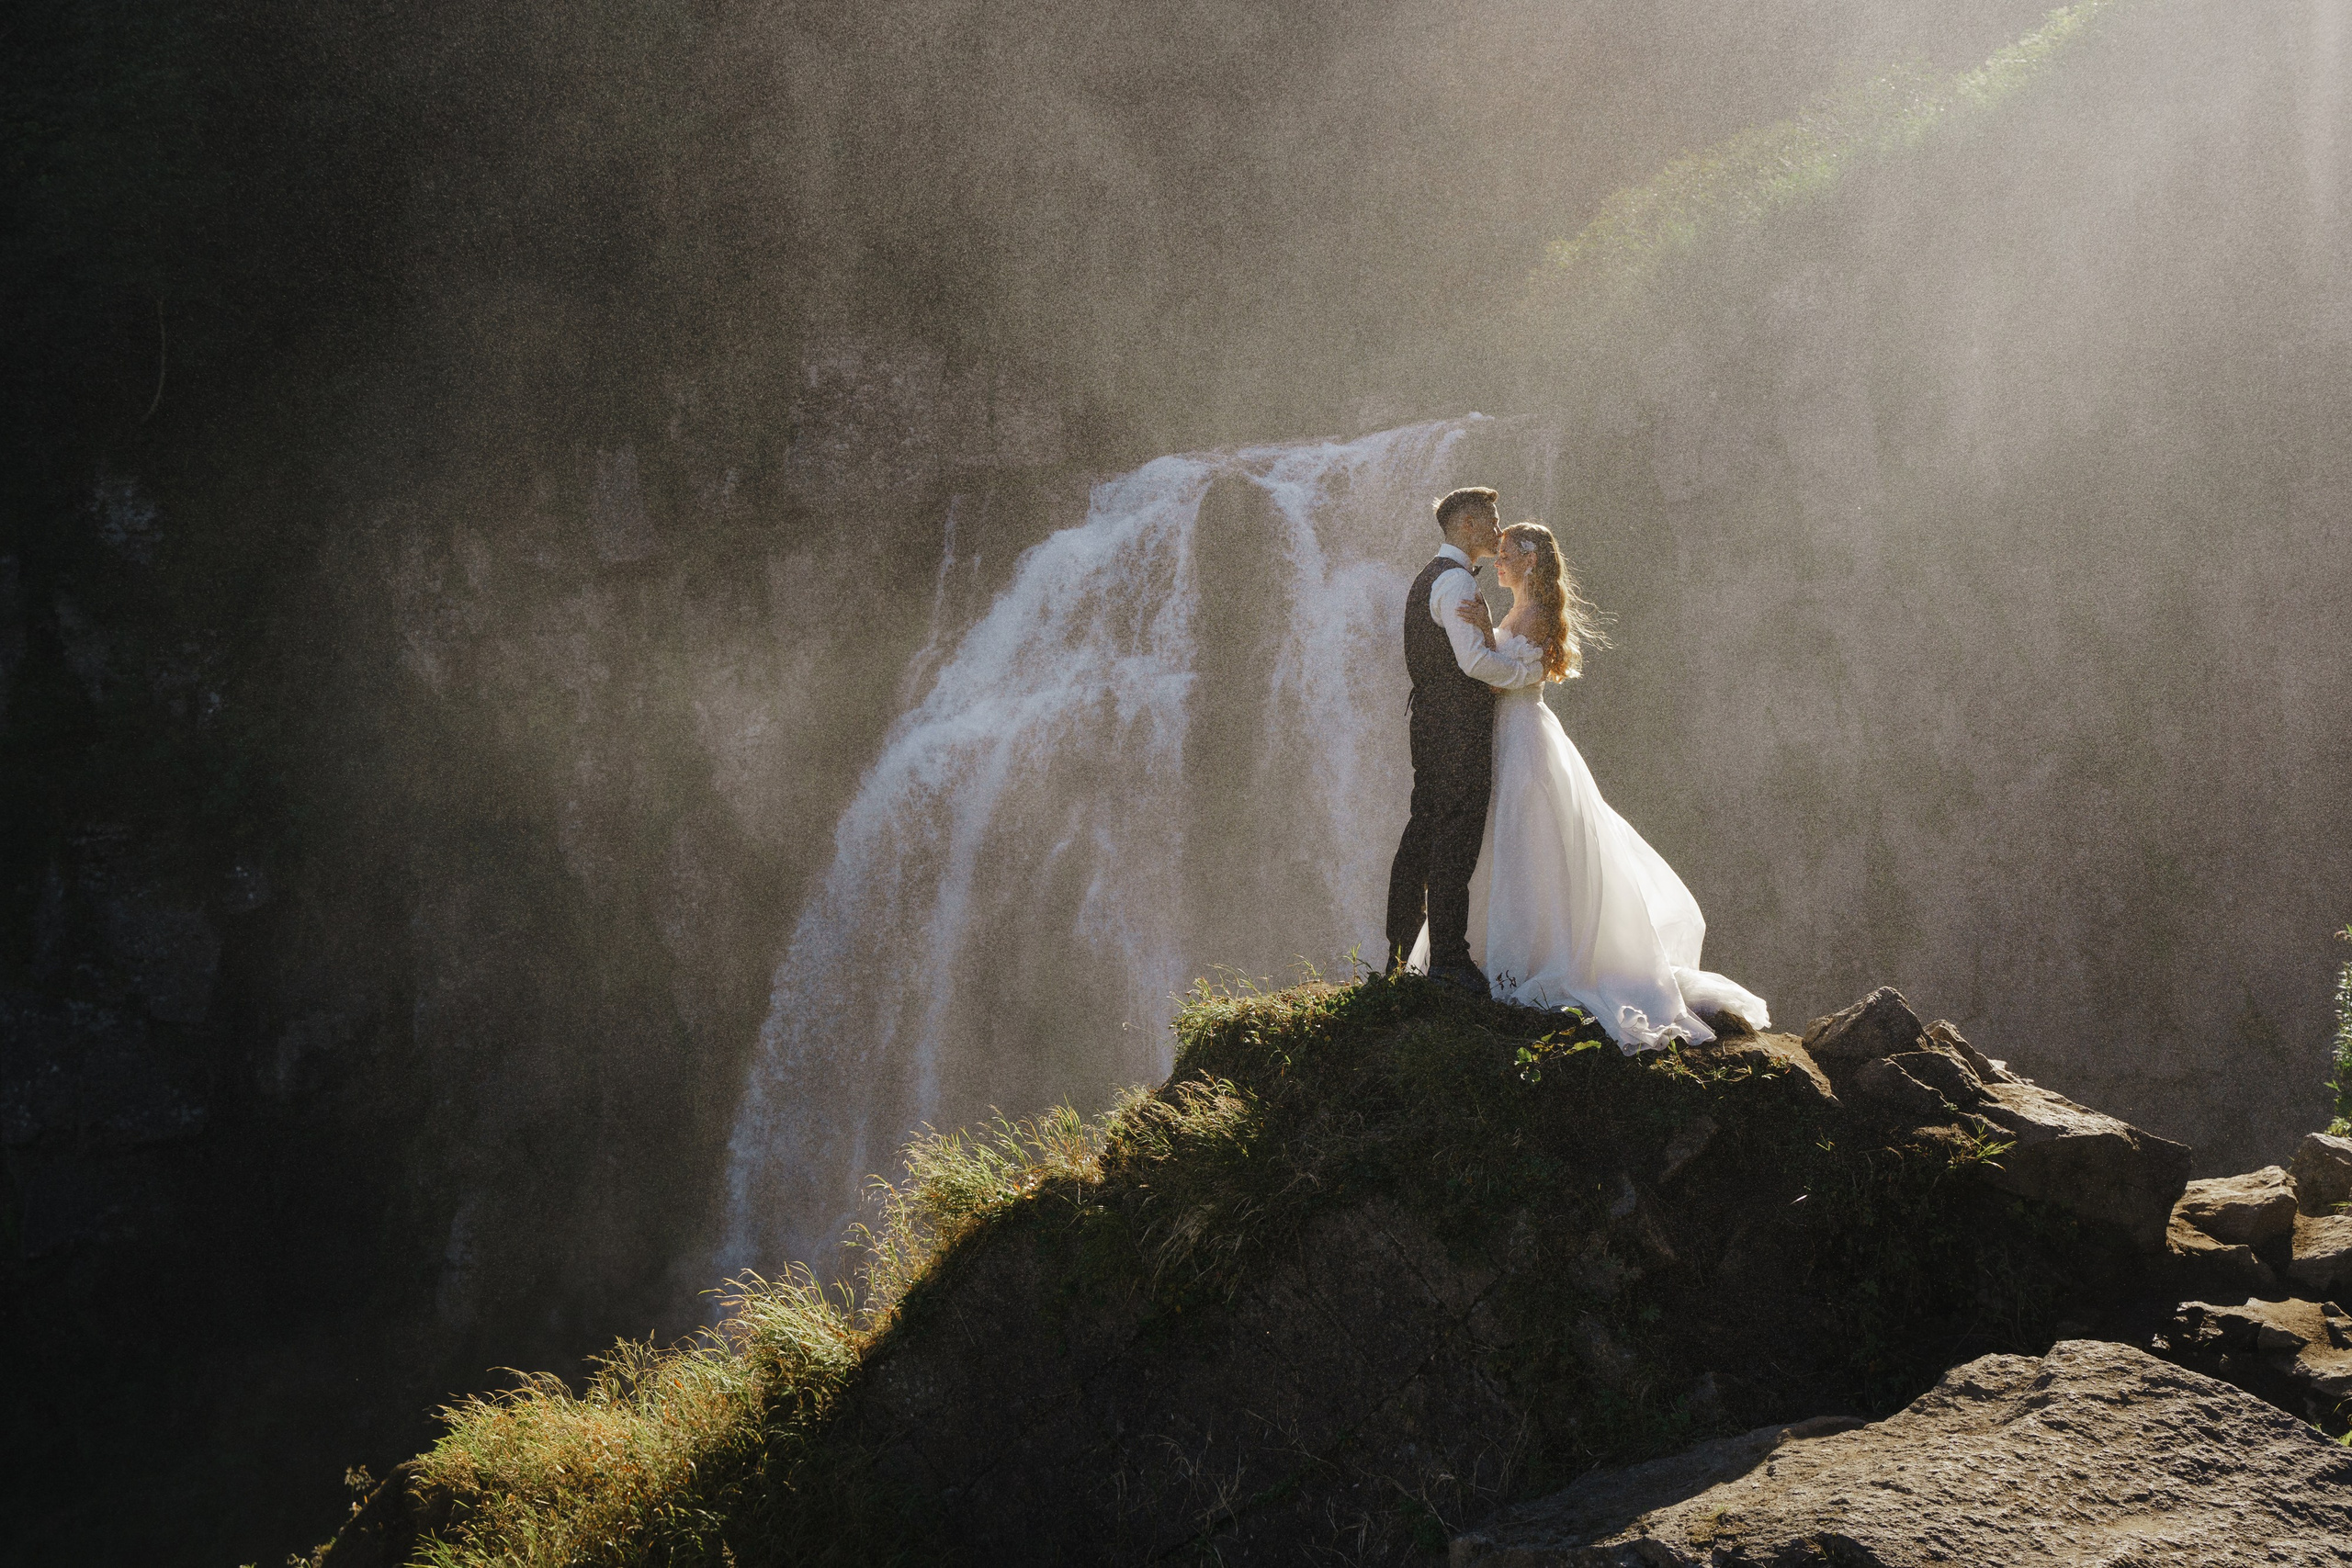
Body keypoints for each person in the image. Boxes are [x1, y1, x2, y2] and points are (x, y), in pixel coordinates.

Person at [1402, 516, 1770, 1052]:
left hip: (1524, 738)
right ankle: (1480, 957)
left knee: (1529, 844)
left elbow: (1523, 672)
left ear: (1529, 560)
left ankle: (1527, 960)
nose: (1496, 562)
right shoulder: (1516, 607)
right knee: (1498, 846)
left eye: (1506, 554)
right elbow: (1506, 661)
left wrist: (1483, 635)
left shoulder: (1538, 611)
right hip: (1504, 735)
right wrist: (1486, 631)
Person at [1384, 487, 1540, 993]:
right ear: (1468, 526)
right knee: (1454, 837)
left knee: (1425, 831)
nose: (1499, 531)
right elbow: (1473, 663)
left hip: (1433, 723)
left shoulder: (1433, 578)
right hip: (1456, 729)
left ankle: (1402, 951)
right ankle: (1449, 958)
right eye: (1492, 521)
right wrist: (1526, 676)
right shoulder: (1454, 584)